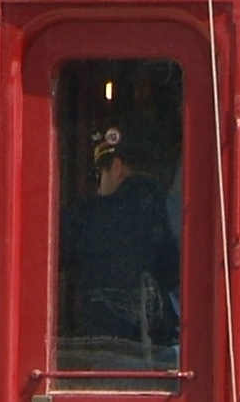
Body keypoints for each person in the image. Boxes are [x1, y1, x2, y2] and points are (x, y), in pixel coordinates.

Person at [59, 126, 181, 364]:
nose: (97, 186)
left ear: (116, 167)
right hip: (175, 359)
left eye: (97, 176)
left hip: (107, 354)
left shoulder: (86, 217)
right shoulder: (181, 212)